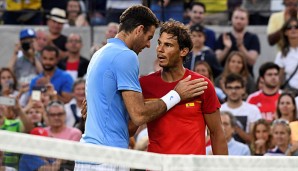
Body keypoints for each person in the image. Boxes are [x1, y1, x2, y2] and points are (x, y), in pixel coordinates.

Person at [75, 5, 208, 170]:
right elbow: (138, 115)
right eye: (150, 37)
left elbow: (117, 119)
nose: (149, 45)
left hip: (88, 157)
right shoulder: (126, 55)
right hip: (107, 158)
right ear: (139, 30)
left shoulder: (100, 54)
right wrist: (176, 94)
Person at [140, 20, 227, 155]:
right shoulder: (144, 84)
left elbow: (217, 133)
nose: (160, 49)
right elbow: (130, 127)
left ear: (183, 51)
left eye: (168, 45)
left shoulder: (201, 84)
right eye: (159, 43)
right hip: (157, 167)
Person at [215, 7, 260, 77]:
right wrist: (227, 48)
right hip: (225, 77)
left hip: (246, 78)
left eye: (242, 19)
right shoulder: (224, 36)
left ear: (247, 21)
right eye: (236, 18)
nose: (238, 21)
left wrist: (241, 46)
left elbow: (252, 61)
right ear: (231, 19)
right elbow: (217, 61)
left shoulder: (253, 38)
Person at [220, 73, 262, 144]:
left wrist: (237, 129)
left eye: (237, 87)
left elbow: (255, 138)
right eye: (230, 88)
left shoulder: (253, 110)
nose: (233, 91)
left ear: (243, 89)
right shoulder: (218, 110)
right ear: (225, 90)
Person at [275, 17, 298, 94]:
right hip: (292, 92)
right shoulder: (282, 54)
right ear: (285, 32)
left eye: (296, 27)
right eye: (289, 27)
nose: (293, 29)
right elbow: (279, 79)